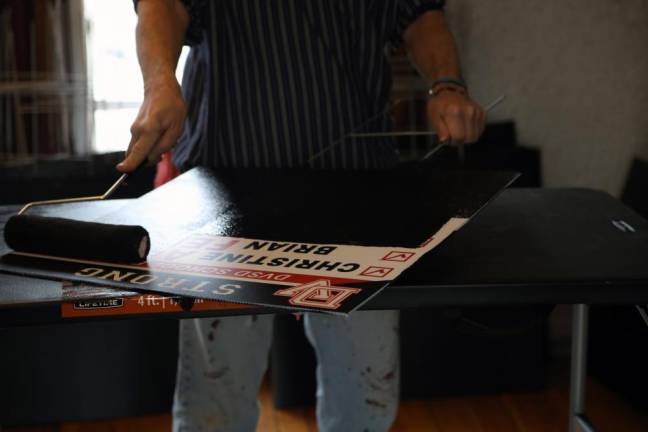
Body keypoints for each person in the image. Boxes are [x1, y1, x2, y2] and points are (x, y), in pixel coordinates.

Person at [121, 1, 486, 431]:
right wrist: (160, 82)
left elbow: (419, 12)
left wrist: (447, 84)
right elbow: (164, 5)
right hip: (224, 192)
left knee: (364, 397)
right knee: (214, 397)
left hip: (358, 195)